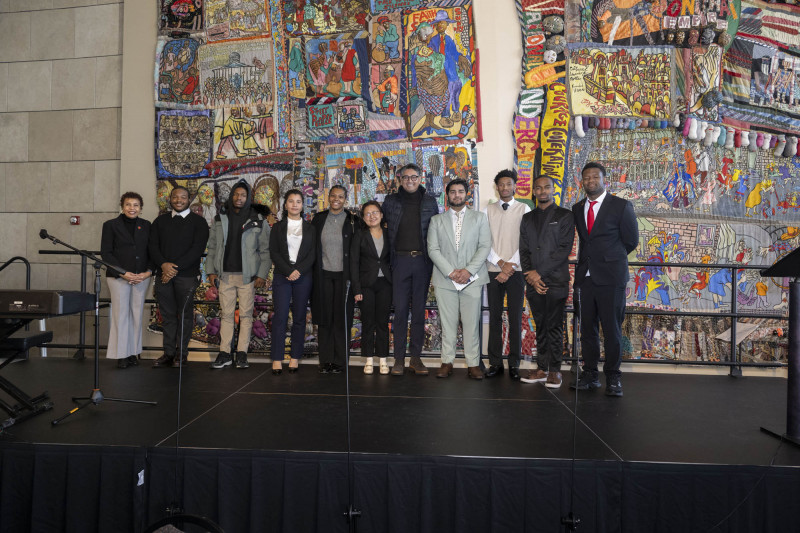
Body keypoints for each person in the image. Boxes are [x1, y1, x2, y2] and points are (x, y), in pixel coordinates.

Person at [571, 162, 639, 396]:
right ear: (582, 182)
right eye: (586, 178)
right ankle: (590, 375)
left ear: (604, 179)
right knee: (587, 331)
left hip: (611, 278)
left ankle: (613, 378)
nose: (590, 181)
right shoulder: (577, 208)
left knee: (612, 330)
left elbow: (631, 241)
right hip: (585, 279)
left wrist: (609, 261)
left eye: (595, 177)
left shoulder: (621, 206)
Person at [427, 179, 491, 379]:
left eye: (460, 191)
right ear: (448, 195)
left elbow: (484, 246)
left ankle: (473, 364)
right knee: (448, 324)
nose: (457, 195)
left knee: (472, 323)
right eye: (453, 192)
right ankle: (447, 362)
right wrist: (451, 272)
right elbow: (433, 249)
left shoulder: (480, 218)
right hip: (445, 280)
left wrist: (468, 271)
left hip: (471, 280)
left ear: (467, 194)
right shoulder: (436, 220)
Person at [206, 180, 271, 370]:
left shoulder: (258, 219)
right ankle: (225, 353)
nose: (239, 198)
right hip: (225, 275)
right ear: (231, 195)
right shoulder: (220, 218)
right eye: (236, 194)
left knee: (246, 315)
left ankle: (242, 354)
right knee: (226, 315)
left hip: (248, 277)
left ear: (248, 197)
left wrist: (261, 274)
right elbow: (212, 247)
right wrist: (210, 271)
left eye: (243, 195)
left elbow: (266, 251)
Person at [382, 163, 439, 376]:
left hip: (423, 262)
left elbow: (437, 232)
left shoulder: (430, 202)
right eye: (405, 177)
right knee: (400, 312)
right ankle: (398, 359)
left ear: (420, 178)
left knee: (418, 312)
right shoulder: (390, 201)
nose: (409, 181)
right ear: (399, 179)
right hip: (400, 261)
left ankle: (416, 358)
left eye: (413, 177)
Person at [519, 176, 575, 389]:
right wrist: (530, 275)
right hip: (533, 283)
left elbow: (563, 250)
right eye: (539, 188)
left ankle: (555, 371)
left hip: (556, 281)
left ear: (554, 190)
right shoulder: (527, 218)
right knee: (540, 326)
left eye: (547, 187)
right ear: (534, 191)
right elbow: (523, 250)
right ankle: (541, 369)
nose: (542, 191)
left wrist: (538, 273)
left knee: (554, 326)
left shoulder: (565, 216)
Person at [149, 186, 210, 367]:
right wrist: (164, 266)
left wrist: (173, 269)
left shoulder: (199, 222)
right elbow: (153, 247)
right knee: (167, 316)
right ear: (170, 199)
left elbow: (197, 250)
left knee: (184, 316)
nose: (178, 200)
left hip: (187, 276)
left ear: (189, 199)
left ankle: (181, 354)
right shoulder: (160, 222)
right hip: (163, 276)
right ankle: (168, 353)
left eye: (183, 197)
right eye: (175, 197)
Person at [483, 170, 530, 380]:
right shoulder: (487, 210)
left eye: (508, 184)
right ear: (496, 187)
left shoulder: (524, 208)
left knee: (514, 318)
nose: (504, 188)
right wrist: (501, 264)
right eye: (500, 185)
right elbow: (483, 241)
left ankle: (514, 363)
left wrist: (510, 266)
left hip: (517, 272)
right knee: (494, 317)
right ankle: (495, 363)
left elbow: (526, 241)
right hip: (493, 270)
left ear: (514, 186)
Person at [100, 192, 153, 369]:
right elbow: (106, 253)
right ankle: (121, 354)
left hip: (141, 277)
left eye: (136, 205)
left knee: (137, 315)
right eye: (128, 204)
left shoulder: (146, 225)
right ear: (122, 206)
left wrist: (147, 273)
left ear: (141, 208)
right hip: (118, 277)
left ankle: (133, 352)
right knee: (120, 315)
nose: (132, 208)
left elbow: (152, 251)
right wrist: (123, 273)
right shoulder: (110, 225)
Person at [311, 185, 358, 374]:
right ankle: (326, 360)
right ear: (328, 198)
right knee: (325, 318)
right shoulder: (319, 219)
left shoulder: (353, 221)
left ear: (345, 199)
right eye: (333, 196)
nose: (336, 199)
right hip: (323, 275)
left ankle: (340, 361)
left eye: (340, 196)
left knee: (342, 319)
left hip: (344, 277)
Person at [269, 189, 316, 375]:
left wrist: (298, 271)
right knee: (280, 317)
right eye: (291, 201)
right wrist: (289, 271)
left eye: (298, 201)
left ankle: (295, 357)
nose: (294, 204)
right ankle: (277, 358)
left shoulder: (311, 228)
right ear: (285, 204)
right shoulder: (278, 227)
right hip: (282, 276)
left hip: (303, 277)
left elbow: (313, 254)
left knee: (299, 318)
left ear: (303, 205)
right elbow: (274, 252)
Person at [351, 201, 392, 375]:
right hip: (366, 285)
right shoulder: (359, 235)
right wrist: (357, 289)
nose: (372, 216)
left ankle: (383, 360)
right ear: (363, 217)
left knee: (382, 323)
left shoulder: (390, 234)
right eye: (367, 213)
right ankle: (368, 360)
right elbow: (353, 263)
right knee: (367, 323)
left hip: (386, 284)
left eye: (375, 212)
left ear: (381, 215)